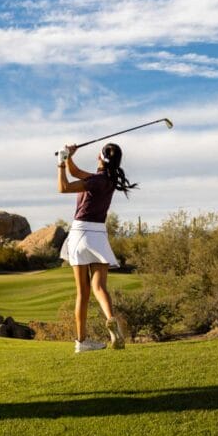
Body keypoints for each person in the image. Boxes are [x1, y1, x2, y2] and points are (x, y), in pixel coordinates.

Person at [56, 142, 136, 353]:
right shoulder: (107, 180)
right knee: (99, 287)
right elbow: (77, 172)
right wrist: (69, 156)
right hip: (98, 235)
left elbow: (63, 187)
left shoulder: (94, 181)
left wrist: (60, 164)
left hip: (79, 233)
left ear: (100, 157)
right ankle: (111, 320)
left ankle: (81, 342)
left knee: (82, 292)